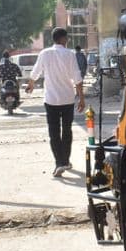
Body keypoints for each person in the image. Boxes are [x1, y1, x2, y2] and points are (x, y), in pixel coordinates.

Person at [27, 27, 85, 177]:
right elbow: (77, 78)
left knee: (54, 132)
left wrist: (31, 84)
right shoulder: (70, 54)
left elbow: (36, 71)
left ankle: (59, 163)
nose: (68, 40)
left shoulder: (45, 53)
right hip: (67, 99)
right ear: (63, 39)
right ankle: (65, 161)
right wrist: (81, 98)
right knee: (67, 130)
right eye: (67, 38)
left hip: (51, 100)